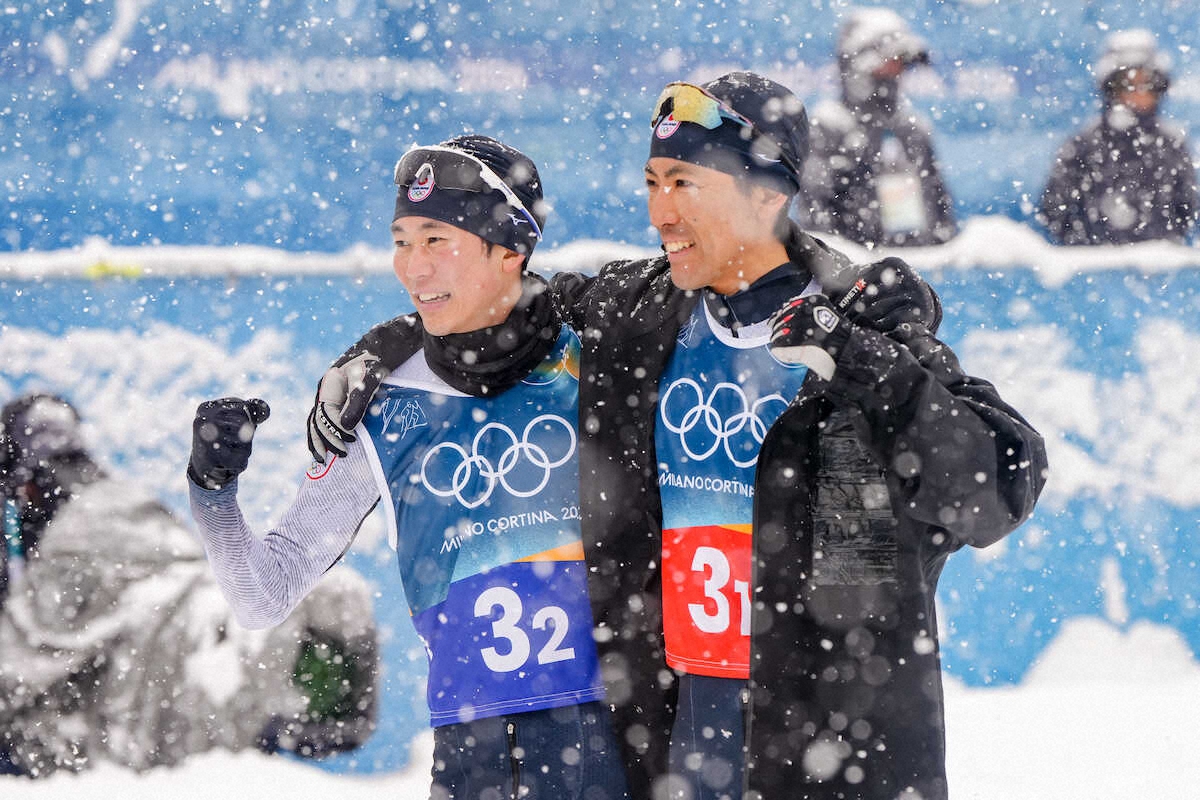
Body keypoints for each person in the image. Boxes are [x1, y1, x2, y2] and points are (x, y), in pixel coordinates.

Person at [308, 73, 1048, 800]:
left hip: (832, 740)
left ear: (768, 196)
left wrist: (866, 363)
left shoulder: (860, 324)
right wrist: (382, 351)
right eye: (652, 182)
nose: (660, 211)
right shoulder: (638, 313)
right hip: (686, 734)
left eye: (685, 183)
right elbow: (493, 310)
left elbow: (999, 488)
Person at [190, 135, 629, 800]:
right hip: (472, 760)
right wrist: (213, 490)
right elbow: (262, 595)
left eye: (436, 241)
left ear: (509, 250)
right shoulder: (382, 399)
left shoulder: (602, 358)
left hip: (615, 741)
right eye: (401, 241)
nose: (412, 267)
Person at [0, 392, 378, 778]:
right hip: (220, 637)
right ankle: (301, 687)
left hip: (181, 692)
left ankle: (287, 684)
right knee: (322, 603)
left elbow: (21, 671)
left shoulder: (67, 544)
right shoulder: (131, 507)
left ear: (26, 487)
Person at [797, 7, 957, 247]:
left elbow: (941, 215)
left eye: (901, 63)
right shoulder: (829, 127)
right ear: (857, 64)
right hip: (858, 265)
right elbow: (816, 222)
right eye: (888, 62)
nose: (896, 71)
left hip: (920, 263)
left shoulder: (913, 128)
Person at [1038, 28, 1197, 245]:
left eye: (1148, 84)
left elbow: (1187, 212)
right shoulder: (1082, 146)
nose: (1139, 93)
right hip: (1093, 262)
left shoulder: (1172, 146)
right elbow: (1055, 213)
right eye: (1128, 84)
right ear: (1111, 88)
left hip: (1157, 264)